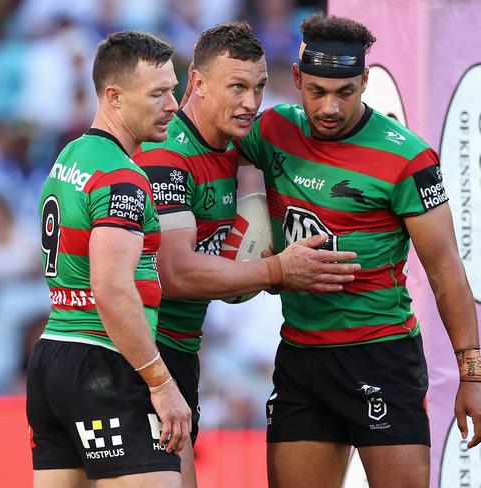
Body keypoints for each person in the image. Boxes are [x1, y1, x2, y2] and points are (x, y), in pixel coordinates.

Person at [235, 13, 481, 488]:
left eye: (345, 92)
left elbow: (445, 270)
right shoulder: (272, 130)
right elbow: (205, 141)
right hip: (301, 358)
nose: (330, 107)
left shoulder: (409, 158)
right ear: (296, 78)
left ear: (365, 82)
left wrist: (472, 376)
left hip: (382, 356)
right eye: (317, 91)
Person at [132, 22, 360, 488]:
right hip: (141, 359)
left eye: (258, 88)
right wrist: (276, 270)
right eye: (237, 87)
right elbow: (174, 273)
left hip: (179, 353)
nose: (251, 103)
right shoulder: (166, 155)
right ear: (196, 83)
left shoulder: (232, 143)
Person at [26, 31, 191, 488]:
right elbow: (112, 288)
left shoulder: (70, 157)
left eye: (173, 90)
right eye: (158, 93)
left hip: (53, 357)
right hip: (107, 365)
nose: (173, 105)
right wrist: (161, 382)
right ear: (113, 97)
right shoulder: (122, 178)